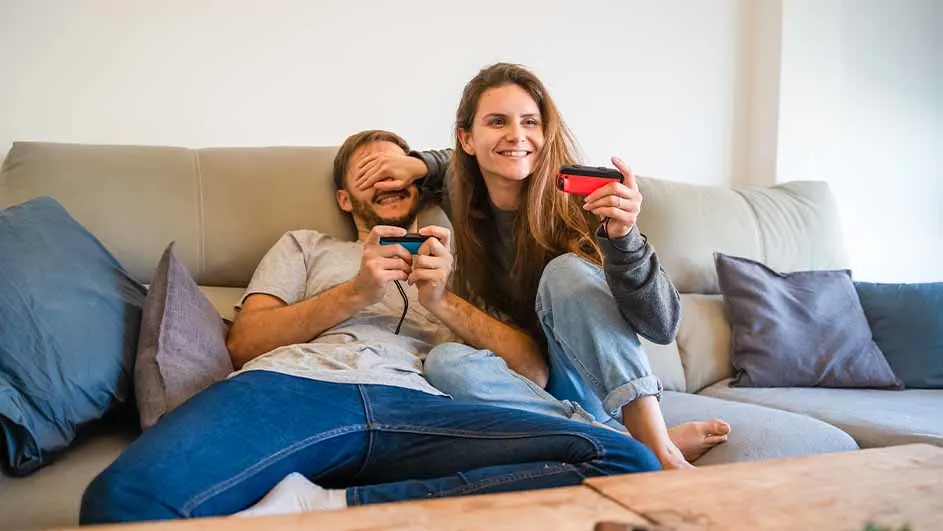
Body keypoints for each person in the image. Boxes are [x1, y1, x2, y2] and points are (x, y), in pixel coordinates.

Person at [78, 130, 661, 525]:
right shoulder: (306, 246)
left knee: (628, 463)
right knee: (123, 502)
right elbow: (244, 343)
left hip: (427, 406)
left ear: (417, 184)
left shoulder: (459, 259)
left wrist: (443, 300)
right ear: (344, 196)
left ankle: (330, 507)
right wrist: (356, 291)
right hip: (296, 389)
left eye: (395, 167)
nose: (385, 177)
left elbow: (531, 370)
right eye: (367, 170)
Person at [352, 63, 730, 469]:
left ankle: (657, 449)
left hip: (594, 381)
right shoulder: (461, 194)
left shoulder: (584, 203)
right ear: (467, 139)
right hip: (530, 389)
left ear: (545, 133)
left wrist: (626, 239)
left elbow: (663, 326)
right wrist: (419, 164)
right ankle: (619, 442)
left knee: (565, 272)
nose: (516, 135)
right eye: (497, 121)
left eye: (530, 122)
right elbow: (449, 164)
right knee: (446, 362)